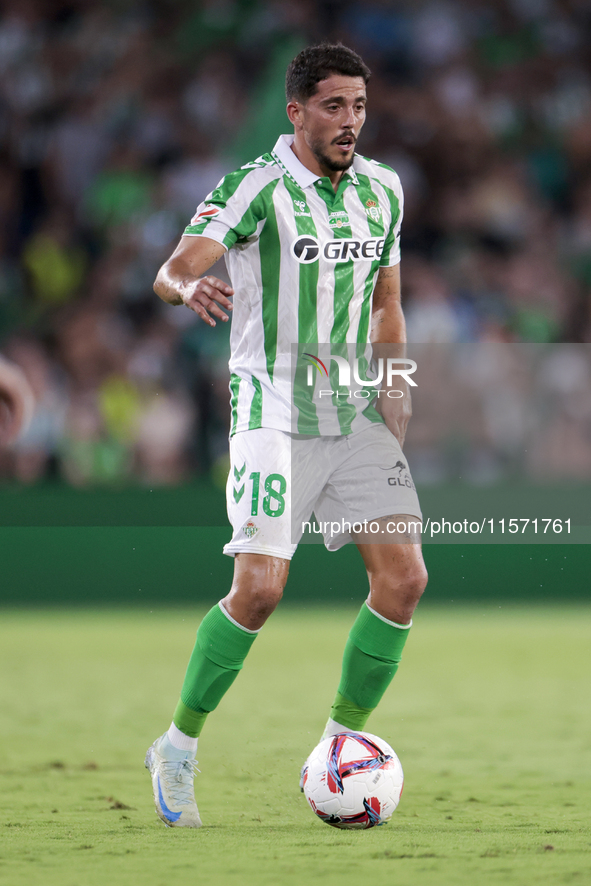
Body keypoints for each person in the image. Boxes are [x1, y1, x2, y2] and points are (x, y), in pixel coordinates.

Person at [146, 43, 427, 829]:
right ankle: (177, 745)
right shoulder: (255, 188)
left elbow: (387, 304)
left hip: (351, 414)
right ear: (295, 111)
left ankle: (338, 751)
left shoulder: (383, 190)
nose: (350, 123)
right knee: (261, 591)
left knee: (403, 580)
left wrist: (395, 390)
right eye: (334, 107)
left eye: (360, 107)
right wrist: (185, 284)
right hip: (270, 410)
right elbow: (174, 266)